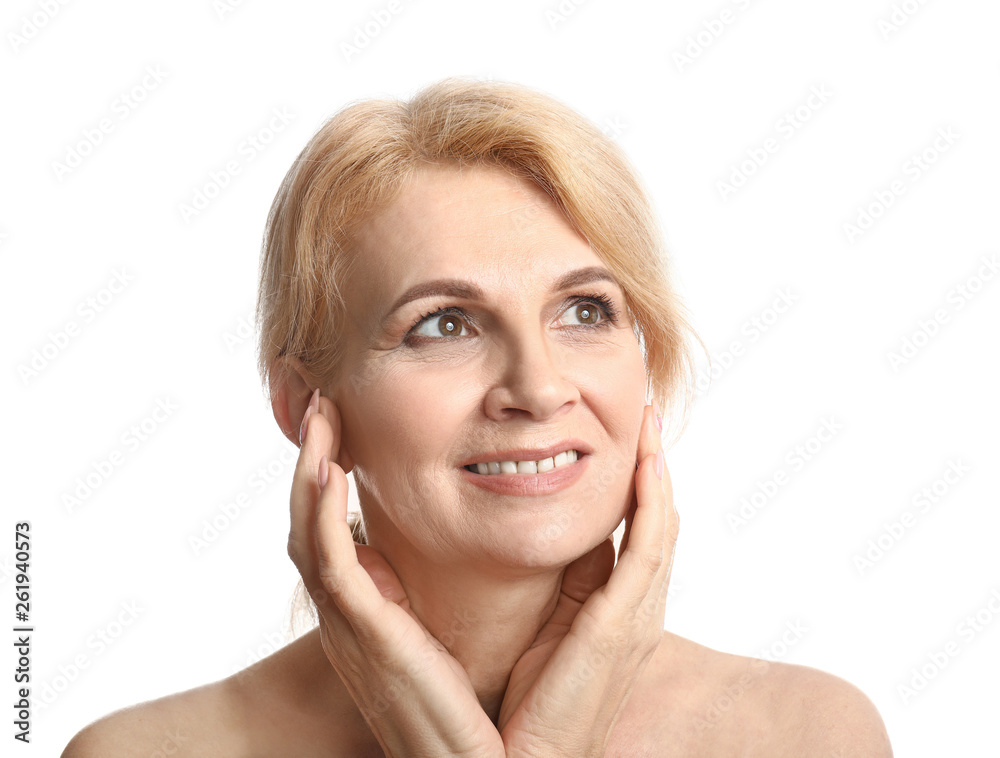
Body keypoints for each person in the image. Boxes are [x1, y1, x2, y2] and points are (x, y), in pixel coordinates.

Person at [63, 78, 892, 757]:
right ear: (307, 408)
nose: (538, 387)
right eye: (444, 325)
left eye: (586, 311)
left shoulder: (805, 734)